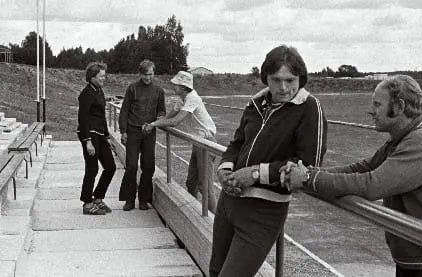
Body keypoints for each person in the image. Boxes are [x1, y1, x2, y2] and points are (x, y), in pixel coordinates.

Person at [281, 75, 422, 277]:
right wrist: (310, 173)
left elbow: (371, 185)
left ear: (398, 107)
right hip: (419, 260)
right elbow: (362, 168)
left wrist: (308, 179)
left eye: (378, 104)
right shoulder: (403, 138)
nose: (371, 111)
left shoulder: (420, 143)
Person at [209, 45, 327, 277]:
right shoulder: (256, 102)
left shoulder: (309, 108)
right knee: (215, 271)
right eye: (276, 80)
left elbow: (309, 163)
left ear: (301, 78)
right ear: (266, 78)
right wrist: (225, 169)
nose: (284, 88)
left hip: (264, 209)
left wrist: (255, 173)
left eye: (290, 80)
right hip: (229, 201)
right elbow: (237, 142)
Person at [145, 70, 218, 212]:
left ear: (184, 87)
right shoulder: (182, 98)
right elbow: (169, 116)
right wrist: (154, 122)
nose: (173, 86)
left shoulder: (193, 98)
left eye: (176, 84)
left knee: (205, 186)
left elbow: (176, 121)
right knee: (191, 183)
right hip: (198, 143)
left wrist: (154, 125)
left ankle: (214, 221)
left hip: (207, 142)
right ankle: (191, 211)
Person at [118, 59, 166, 211]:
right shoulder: (132, 89)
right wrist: (123, 131)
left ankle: (144, 199)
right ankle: (129, 199)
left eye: (150, 75)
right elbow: (124, 110)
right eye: (145, 75)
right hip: (132, 131)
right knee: (131, 166)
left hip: (149, 133)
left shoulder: (159, 91)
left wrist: (156, 123)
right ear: (140, 74)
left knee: (149, 166)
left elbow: (161, 111)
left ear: (154, 74)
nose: (148, 78)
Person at [77, 61, 117, 215]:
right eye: (101, 76)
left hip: (100, 134)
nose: (103, 79)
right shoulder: (86, 93)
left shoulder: (99, 90)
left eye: (104, 76)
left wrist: (107, 137)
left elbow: (102, 116)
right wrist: (87, 141)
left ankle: (98, 198)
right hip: (89, 135)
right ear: (92, 77)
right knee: (92, 169)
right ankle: (87, 203)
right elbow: (83, 118)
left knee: (110, 167)